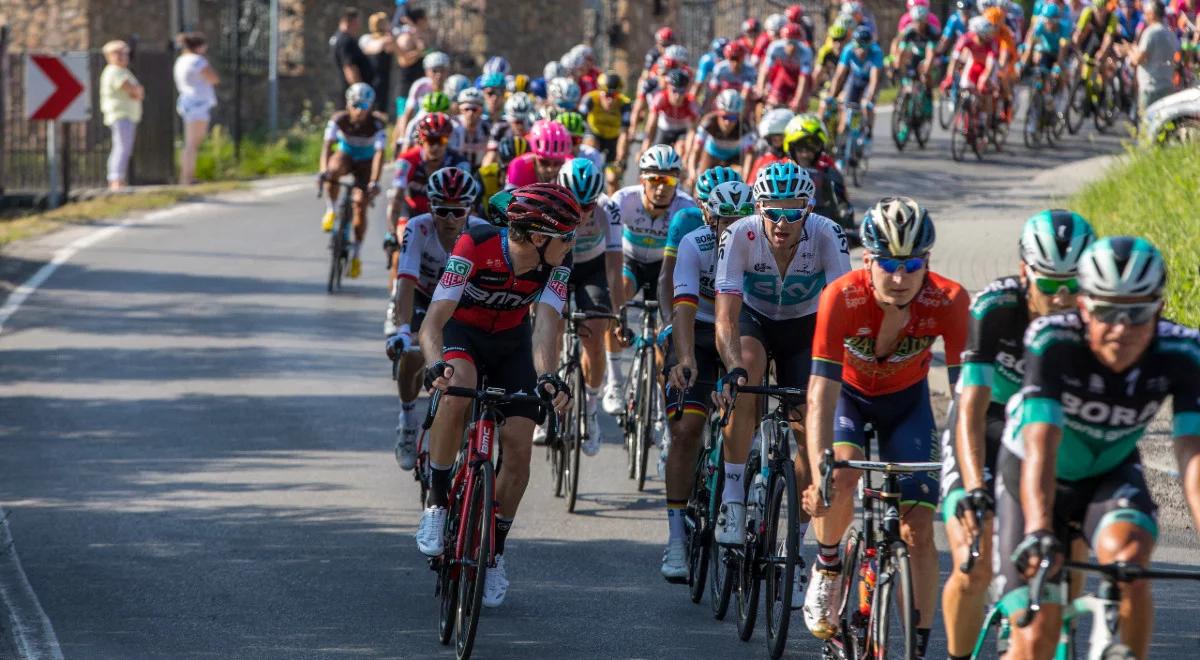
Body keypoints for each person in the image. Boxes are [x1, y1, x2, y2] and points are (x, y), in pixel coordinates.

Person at [997, 236, 1200, 660]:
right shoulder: (1053, 339)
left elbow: (1192, 454)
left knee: (1132, 564)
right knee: (1036, 637)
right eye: (1107, 311)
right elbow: (1042, 442)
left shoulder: (1181, 350)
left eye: (1137, 313)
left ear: (1159, 308)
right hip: (1034, 473)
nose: (1122, 328)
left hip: (1108, 472)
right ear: (1084, 306)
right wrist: (1038, 528)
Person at [801, 198, 968, 660]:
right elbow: (820, 394)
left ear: (927, 262)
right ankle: (829, 566)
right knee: (843, 477)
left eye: (912, 264)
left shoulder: (949, 300)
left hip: (906, 404)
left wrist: (973, 473)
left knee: (918, 530)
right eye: (889, 264)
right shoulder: (840, 296)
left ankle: (917, 645)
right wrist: (819, 473)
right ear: (867, 260)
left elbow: (966, 400)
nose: (900, 277)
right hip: (847, 399)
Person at [939, 210, 1095, 660]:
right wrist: (973, 487)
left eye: (1076, 284)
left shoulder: (1097, 323)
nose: (1064, 297)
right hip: (986, 424)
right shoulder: (995, 309)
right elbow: (969, 406)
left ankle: (1061, 624)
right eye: (1049, 284)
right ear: (1026, 271)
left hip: (1048, 433)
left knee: (1073, 542)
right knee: (975, 560)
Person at [415, 183, 580, 608]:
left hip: (511, 346)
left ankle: (493, 554)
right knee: (456, 391)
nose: (572, 242)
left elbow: (545, 324)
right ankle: (436, 504)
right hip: (462, 335)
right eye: (566, 235)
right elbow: (434, 321)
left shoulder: (559, 263)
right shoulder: (476, 243)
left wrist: (548, 376)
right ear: (540, 237)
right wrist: (436, 365)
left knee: (520, 450)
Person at [711, 163, 851, 571]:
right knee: (748, 367)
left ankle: (794, 549)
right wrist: (733, 367)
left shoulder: (827, 234)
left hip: (805, 327)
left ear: (808, 210)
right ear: (759, 209)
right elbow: (725, 319)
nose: (782, 221)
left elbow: (841, 310)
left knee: (810, 429)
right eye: (773, 211)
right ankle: (734, 498)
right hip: (754, 320)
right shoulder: (740, 235)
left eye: (793, 212)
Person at [660, 179, 755, 581]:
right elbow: (682, 308)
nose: (730, 228)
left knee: (751, 413)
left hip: (741, 331)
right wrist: (683, 358)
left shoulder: (760, 247)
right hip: (697, 331)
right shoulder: (693, 244)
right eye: (723, 221)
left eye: (740, 220)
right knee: (686, 430)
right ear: (707, 217)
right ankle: (677, 539)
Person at [387, 167, 487, 469]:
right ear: (430, 207)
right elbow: (405, 281)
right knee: (413, 354)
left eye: (457, 212)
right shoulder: (419, 228)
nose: (450, 219)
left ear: (469, 209)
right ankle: (407, 418)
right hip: (423, 297)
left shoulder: (481, 232)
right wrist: (402, 330)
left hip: (460, 303)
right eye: (442, 211)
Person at [600, 145, 697, 415]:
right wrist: (618, 309)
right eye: (654, 179)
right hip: (631, 263)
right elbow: (609, 249)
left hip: (664, 269)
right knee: (615, 301)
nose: (661, 187)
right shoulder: (623, 200)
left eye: (669, 180)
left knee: (662, 338)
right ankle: (615, 383)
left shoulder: (686, 207)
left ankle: (656, 396)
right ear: (642, 179)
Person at [556, 158, 624, 455]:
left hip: (593, 268)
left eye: (588, 205)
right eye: (576, 205)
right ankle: (546, 409)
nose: (583, 213)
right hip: (556, 264)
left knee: (596, 334)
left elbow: (614, 264)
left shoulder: (608, 209)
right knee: (548, 327)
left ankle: (591, 407)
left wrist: (618, 312)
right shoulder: (549, 204)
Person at [384, 112, 471, 332]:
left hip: (447, 214)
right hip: (412, 210)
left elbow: (470, 201)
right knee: (403, 242)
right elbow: (395, 198)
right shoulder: (407, 160)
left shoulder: (459, 161)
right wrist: (391, 232)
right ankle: (396, 301)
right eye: (430, 140)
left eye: (441, 140)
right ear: (420, 139)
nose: (436, 146)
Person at [318, 83, 387, 279]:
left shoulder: (377, 124)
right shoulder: (339, 119)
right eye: (355, 105)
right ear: (348, 104)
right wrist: (323, 171)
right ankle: (330, 210)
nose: (359, 110)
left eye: (364, 106)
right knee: (333, 171)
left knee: (359, 204)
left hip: (366, 164)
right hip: (346, 156)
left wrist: (374, 181)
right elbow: (327, 147)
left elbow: (380, 156)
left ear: (371, 107)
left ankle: (356, 254)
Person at [781, 113, 855, 239]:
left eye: (812, 148)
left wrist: (844, 216)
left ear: (820, 148)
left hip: (821, 231)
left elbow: (844, 202)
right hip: (785, 230)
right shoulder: (776, 170)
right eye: (801, 148)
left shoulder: (829, 170)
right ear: (791, 147)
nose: (805, 154)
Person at [825, 26, 884, 153]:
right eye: (858, 47)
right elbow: (839, 76)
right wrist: (831, 96)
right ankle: (841, 147)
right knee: (845, 109)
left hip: (869, 81)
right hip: (855, 79)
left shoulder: (876, 52)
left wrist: (868, 99)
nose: (861, 51)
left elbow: (874, 80)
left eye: (864, 47)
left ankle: (868, 133)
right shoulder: (848, 50)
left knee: (866, 106)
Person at [174, 32, 219, 186]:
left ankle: (187, 176)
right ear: (199, 46)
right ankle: (187, 178)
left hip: (187, 101)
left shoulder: (181, 60)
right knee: (192, 143)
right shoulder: (198, 60)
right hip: (199, 103)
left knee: (191, 142)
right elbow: (213, 78)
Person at [99, 40, 144, 192]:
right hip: (120, 113)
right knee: (122, 147)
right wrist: (136, 92)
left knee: (124, 147)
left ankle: (118, 178)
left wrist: (137, 92)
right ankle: (115, 179)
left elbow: (138, 93)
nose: (122, 56)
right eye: (117, 53)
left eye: (124, 53)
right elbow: (132, 90)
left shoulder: (122, 71)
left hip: (127, 114)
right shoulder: (115, 71)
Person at [687, 89, 755, 183]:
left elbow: (749, 156)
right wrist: (692, 171)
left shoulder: (744, 126)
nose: (728, 122)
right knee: (703, 183)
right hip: (712, 155)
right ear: (718, 113)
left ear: (738, 116)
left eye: (733, 117)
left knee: (738, 176)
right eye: (725, 116)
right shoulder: (708, 121)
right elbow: (696, 149)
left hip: (733, 159)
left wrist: (745, 180)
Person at [1127, 0, 1180, 119]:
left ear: (1152, 14)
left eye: (1146, 13)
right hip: (1166, 84)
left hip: (1150, 87)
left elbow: (1138, 59)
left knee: (1146, 125)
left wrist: (1129, 51)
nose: (1144, 16)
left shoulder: (1151, 33)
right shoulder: (1170, 32)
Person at [579, 71, 631, 192]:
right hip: (594, 133)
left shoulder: (625, 104)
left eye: (614, 95)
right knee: (589, 153)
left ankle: (613, 206)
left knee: (612, 179)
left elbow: (624, 134)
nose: (610, 100)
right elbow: (579, 122)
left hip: (614, 138)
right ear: (599, 91)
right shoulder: (590, 99)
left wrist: (620, 158)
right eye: (607, 95)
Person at [757, 22, 814, 112]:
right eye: (788, 42)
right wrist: (761, 89)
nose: (791, 46)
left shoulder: (806, 51)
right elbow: (765, 70)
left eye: (795, 43)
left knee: (800, 107)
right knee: (770, 103)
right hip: (784, 76)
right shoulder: (775, 47)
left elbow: (804, 78)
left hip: (800, 79)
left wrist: (798, 100)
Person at [395, 51, 449, 144]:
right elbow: (407, 113)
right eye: (435, 70)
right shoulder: (420, 85)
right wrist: (403, 137)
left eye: (442, 70)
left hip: (444, 127)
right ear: (426, 71)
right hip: (422, 125)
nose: (439, 74)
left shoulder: (451, 87)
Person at [505, 119, 573, 188]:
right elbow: (508, 198)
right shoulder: (518, 166)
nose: (550, 169)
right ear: (534, 156)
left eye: (557, 163)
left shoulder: (572, 166)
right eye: (544, 162)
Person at [359, 11, 396, 115]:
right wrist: (384, 40)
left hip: (381, 80)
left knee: (379, 110)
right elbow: (371, 49)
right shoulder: (366, 39)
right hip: (368, 78)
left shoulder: (388, 40)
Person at [392, 7, 429, 104]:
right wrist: (420, 52)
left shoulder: (420, 37)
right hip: (406, 90)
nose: (428, 22)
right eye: (426, 19)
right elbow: (404, 61)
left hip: (420, 91)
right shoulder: (406, 38)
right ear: (420, 21)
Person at [747, 108, 793, 184]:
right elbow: (751, 185)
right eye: (773, 136)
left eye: (780, 136)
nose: (777, 139)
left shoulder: (794, 160)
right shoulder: (762, 159)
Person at [332, 8, 371, 93]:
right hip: (351, 92)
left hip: (343, 87)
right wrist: (359, 91)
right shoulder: (346, 40)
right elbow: (349, 67)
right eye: (358, 21)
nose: (359, 24)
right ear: (353, 21)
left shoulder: (337, 37)